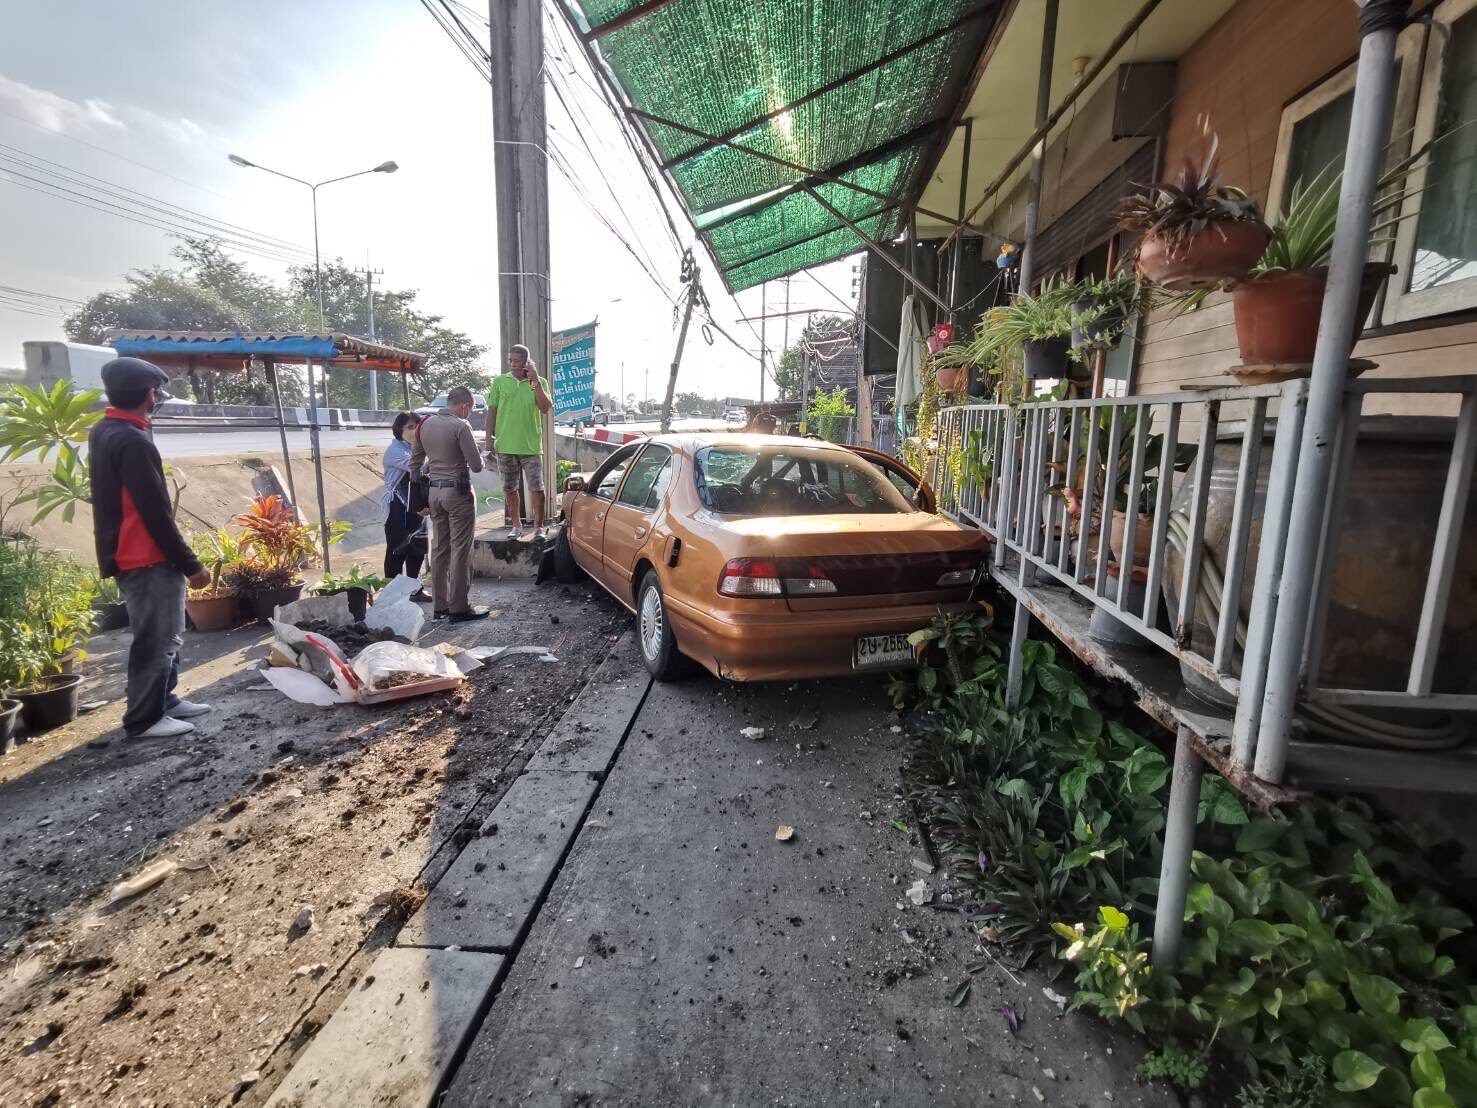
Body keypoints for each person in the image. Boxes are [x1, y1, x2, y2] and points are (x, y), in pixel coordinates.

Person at [88, 357, 213, 739]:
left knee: (167, 634)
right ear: (150, 394)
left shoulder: (106, 430)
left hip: (130, 552)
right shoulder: (132, 440)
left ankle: (166, 700)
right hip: (145, 556)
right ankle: (144, 718)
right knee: (157, 638)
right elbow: (155, 513)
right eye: (157, 392)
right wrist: (191, 564)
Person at [411, 385, 488, 621]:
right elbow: (476, 466)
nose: (471, 413)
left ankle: (440, 606)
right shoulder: (460, 426)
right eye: (472, 408)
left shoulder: (424, 424)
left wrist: (419, 498)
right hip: (458, 494)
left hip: (434, 494)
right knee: (460, 550)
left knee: (439, 549)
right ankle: (459, 607)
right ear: (464, 405)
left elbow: (414, 466)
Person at [486, 343, 552, 540]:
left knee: (537, 487)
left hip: (530, 446)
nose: (512, 364)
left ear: (526, 362)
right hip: (505, 445)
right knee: (509, 488)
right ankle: (516, 525)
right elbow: (492, 411)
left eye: (516, 361)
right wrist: (489, 439)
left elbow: (545, 408)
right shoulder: (499, 382)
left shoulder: (539, 382)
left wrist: (535, 382)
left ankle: (538, 527)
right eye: (510, 361)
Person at [382, 412, 428, 597]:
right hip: (398, 507)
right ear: (399, 429)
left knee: (417, 547)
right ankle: (392, 592)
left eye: (417, 426)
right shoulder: (396, 450)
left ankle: (415, 589)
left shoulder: (415, 448)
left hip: (417, 505)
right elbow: (416, 467)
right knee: (397, 549)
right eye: (410, 427)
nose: (414, 430)